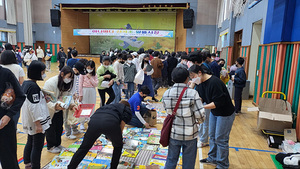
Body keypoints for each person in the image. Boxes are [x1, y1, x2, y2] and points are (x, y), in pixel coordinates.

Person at [189, 64, 235, 169]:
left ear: (199, 73)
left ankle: (223, 165)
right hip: (215, 112)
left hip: (225, 113)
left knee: (221, 138)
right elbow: (201, 97)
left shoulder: (215, 82)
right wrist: (192, 88)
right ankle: (212, 158)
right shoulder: (200, 83)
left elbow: (218, 102)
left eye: (193, 76)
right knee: (212, 136)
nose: (193, 79)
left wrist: (202, 107)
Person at [67, 101, 132, 169]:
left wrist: (111, 137)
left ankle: (71, 167)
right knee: (118, 147)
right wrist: (118, 139)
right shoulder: (126, 109)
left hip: (94, 122)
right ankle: (113, 167)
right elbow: (121, 126)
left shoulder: (108, 106)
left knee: (84, 147)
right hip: (111, 123)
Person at [162, 67, 205, 169]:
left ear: (172, 79)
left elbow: (168, 111)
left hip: (174, 132)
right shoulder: (193, 93)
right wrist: (198, 121)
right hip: (190, 134)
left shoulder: (166, 93)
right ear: (187, 79)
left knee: (171, 160)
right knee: (188, 163)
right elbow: (200, 115)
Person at [21, 61, 51, 169]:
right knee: (37, 146)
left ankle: (27, 164)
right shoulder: (33, 87)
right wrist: (38, 124)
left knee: (30, 141)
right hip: (35, 121)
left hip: (29, 119)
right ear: (37, 72)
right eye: (43, 72)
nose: (44, 73)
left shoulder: (26, 83)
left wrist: (43, 97)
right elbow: (34, 107)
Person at [43, 66, 78, 154]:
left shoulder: (65, 83)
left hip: (59, 109)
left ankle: (58, 144)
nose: (69, 79)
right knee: (51, 129)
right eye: (68, 77)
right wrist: (55, 106)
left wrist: (72, 104)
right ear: (62, 74)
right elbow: (47, 100)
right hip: (50, 110)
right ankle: (50, 146)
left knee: (59, 127)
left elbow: (67, 96)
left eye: (71, 78)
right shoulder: (50, 83)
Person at [0, 65, 26, 169]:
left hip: (4, 125)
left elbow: (20, 96)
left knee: (9, 160)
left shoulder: (6, 73)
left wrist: (9, 115)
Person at [0, 50, 25, 131]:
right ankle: (15, 127)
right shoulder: (18, 68)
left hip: (6, 103)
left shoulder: (4, 70)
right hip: (11, 98)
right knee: (14, 116)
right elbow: (21, 82)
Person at [78, 60, 98, 130]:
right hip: (84, 90)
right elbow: (80, 85)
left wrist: (90, 78)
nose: (89, 69)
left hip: (92, 90)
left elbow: (96, 84)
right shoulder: (82, 74)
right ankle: (82, 123)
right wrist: (80, 95)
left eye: (91, 68)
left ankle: (90, 122)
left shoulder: (94, 75)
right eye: (88, 67)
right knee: (84, 106)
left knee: (92, 106)